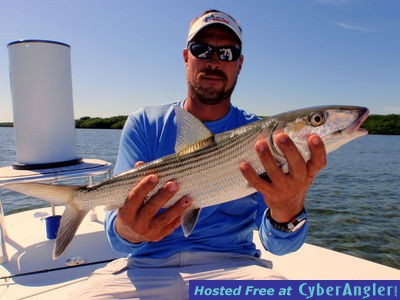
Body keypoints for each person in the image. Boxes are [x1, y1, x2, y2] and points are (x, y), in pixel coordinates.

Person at [72, 9, 326, 299]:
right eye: (201, 49)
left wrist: (287, 208)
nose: (214, 61)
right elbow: (120, 242)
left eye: (227, 53)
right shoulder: (144, 122)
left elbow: (280, 246)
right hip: (146, 268)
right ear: (186, 57)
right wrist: (131, 229)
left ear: (240, 64)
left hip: (235, 267)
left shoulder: (262, 138)